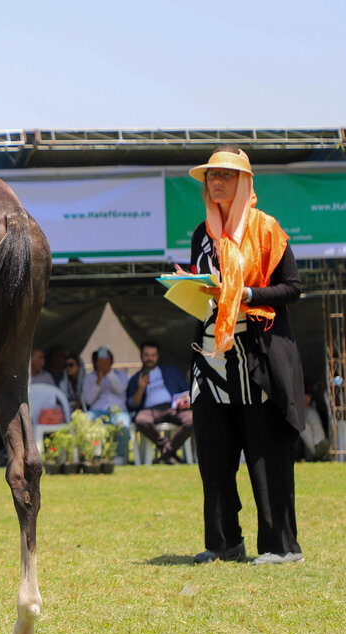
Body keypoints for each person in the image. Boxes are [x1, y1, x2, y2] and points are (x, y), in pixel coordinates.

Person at [185, 146, 305, 565]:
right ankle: (223, 543)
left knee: (266, 456)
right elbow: (207, 289)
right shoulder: (202, 233)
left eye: (225, 175)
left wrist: (248, 293)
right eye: (211, 176)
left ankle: (280, 547)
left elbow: (292, 288)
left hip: (257, 356)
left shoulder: (266, 229)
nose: (216, 182)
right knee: (214, 456)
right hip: (213, 357)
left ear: (244, 182)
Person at [126, 340, 192, 464]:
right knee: (141, 420)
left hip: (173, 407)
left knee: (192, 420)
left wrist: (184, 401)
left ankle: (167, 451)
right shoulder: (135, 379)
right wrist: (140, 388)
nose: (150, 358)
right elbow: (132, 405)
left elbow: (186, 391)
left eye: (153, 355)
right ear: (141, 356)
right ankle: (169, 450)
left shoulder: (170, 371)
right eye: (146, 355)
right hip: (149, 410)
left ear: (158, 356)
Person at [82, 347, 132, 465]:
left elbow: (120, 389)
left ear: (111, 361)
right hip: (97, 411)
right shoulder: (90, 377)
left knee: (123, 425)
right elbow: (88, 400)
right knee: (85, 421)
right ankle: (89, 455)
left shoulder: (121, 374)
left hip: (118, 411)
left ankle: (118, 457)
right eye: (100, 361)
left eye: (106, 360)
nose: (103, 363)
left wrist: (109, 372)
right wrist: (98, 381)